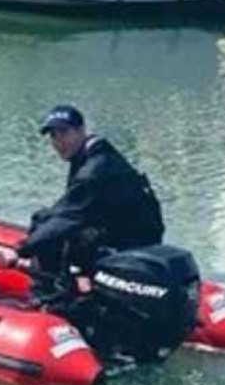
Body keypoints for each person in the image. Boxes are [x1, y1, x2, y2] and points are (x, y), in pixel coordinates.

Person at [11, 104, 164, 275]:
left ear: (81, 130)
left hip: (132, 242)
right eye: (53, 136)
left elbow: (67, 217)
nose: (58, 142)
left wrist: (19, 251)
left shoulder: (93, 170)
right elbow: (73, 207)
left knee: (49, 227)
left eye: (64, 133)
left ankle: (52, 295)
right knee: (47, 219)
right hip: (134, 231)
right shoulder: (95, 152)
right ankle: (76, 281)